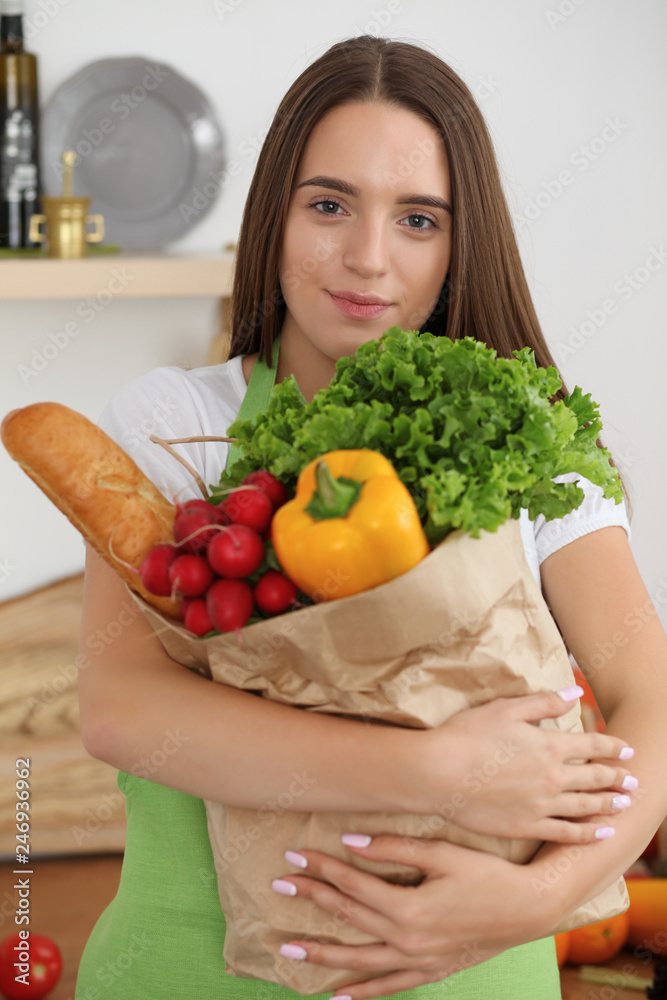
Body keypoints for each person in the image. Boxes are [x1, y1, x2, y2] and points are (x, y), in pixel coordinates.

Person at [74, 35, 667, 1000]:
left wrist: (543, 898)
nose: (367, 259)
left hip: (479, 969)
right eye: (329, 205)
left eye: (419, 219)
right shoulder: (180, 426)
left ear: (462, 240)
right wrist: (437, 772)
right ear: (276, 213)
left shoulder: (524, 435)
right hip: (186, 969)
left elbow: (653, 694)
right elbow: (121, 710)